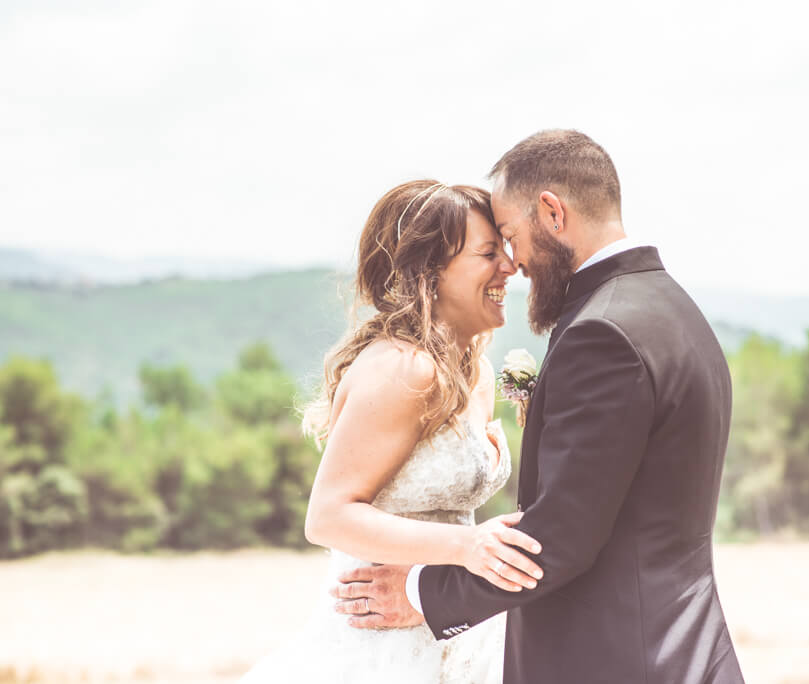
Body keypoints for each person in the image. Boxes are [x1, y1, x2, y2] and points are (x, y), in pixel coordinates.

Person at [334, 130, 746, 683]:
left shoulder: (602, 333)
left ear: (552, 212)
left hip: (616, 660)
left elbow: (563, 538)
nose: (514, 262)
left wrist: (421, 592)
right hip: (683, 649)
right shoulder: (671, 308)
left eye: (509, 235)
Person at [239, 180, 540, 683]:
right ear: (432, 273)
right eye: (489, 254)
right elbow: (328, 517)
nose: (509, 268)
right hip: (380, 641)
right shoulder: (404, 370)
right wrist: (466, 549)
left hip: (449, 624)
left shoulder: (476, 372)